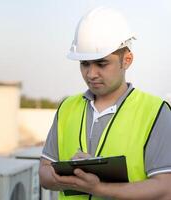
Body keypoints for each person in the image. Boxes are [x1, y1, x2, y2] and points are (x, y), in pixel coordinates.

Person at [39, 6, 171, 200]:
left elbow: (166, 189)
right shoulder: (67, 107)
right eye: (84, 64)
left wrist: (99, 188)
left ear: (126, 60)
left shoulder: (156, 112)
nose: (91, 74)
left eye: (101, 64)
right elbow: (44, 171)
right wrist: (72, 175)